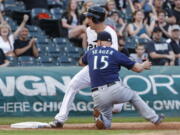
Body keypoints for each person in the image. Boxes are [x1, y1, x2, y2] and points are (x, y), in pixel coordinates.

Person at [49, 6, 123, 128]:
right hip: (91, 69)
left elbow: (113, 56)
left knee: (117, 107)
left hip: (106, 72)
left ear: (95, 18)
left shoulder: (110, 33)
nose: (87, 20)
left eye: (89, 17)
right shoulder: (89, 30)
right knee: (72, 85)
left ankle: (102, 108)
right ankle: (60, 120)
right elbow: (90, 50)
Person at [80, 31, 165, 129]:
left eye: (97, 41)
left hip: (97, 94)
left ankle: (101, 119)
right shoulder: (114, 53)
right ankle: (155, 118)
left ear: (99, 42)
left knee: (106, 126)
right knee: (133, 96)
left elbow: (81, 62)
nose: (96, 43)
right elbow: (137, 69)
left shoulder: (90, 52)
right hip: (113, 88)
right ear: (110, 43)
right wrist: (143, 65)